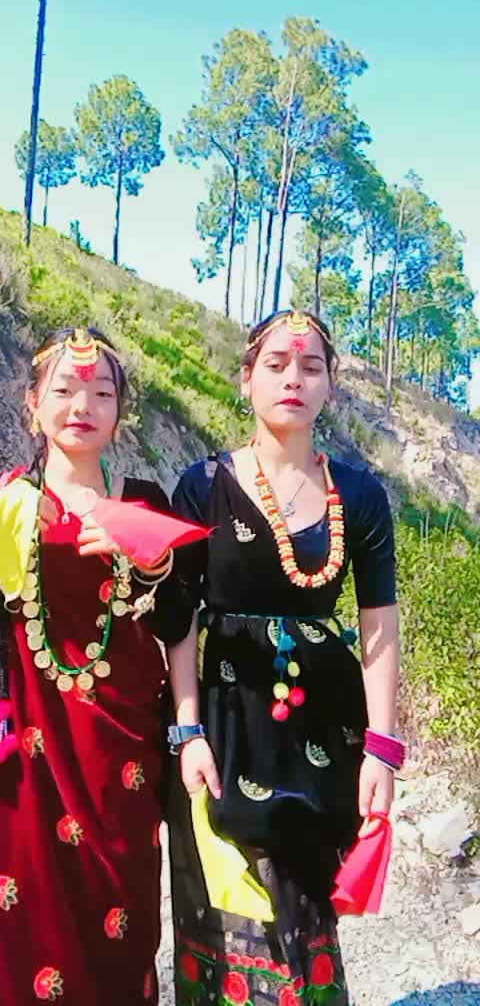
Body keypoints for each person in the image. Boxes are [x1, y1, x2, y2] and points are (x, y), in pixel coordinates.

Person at [0, 326, 192, 1006]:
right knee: (5, 921)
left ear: (120, 412)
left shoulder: (144, 503)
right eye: (63, 390)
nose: (82, 405)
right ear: (32, 404)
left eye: (102, 393)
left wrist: (151, 563)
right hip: (12, 758)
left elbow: (180, 623)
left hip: (116, 756)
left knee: (112, 919)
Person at [167, 310, 402, 1006]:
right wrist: (186, 730)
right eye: (275, 365)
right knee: (223, 893)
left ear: (330, 385)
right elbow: (177, 620)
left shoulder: (359, 495)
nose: (292, 379)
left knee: (304, 901)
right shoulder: (201, 486)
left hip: (321, 726)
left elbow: (379, 623)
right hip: (224, 721)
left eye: (310, 367)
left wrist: (382, 749)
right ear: (247, 379)